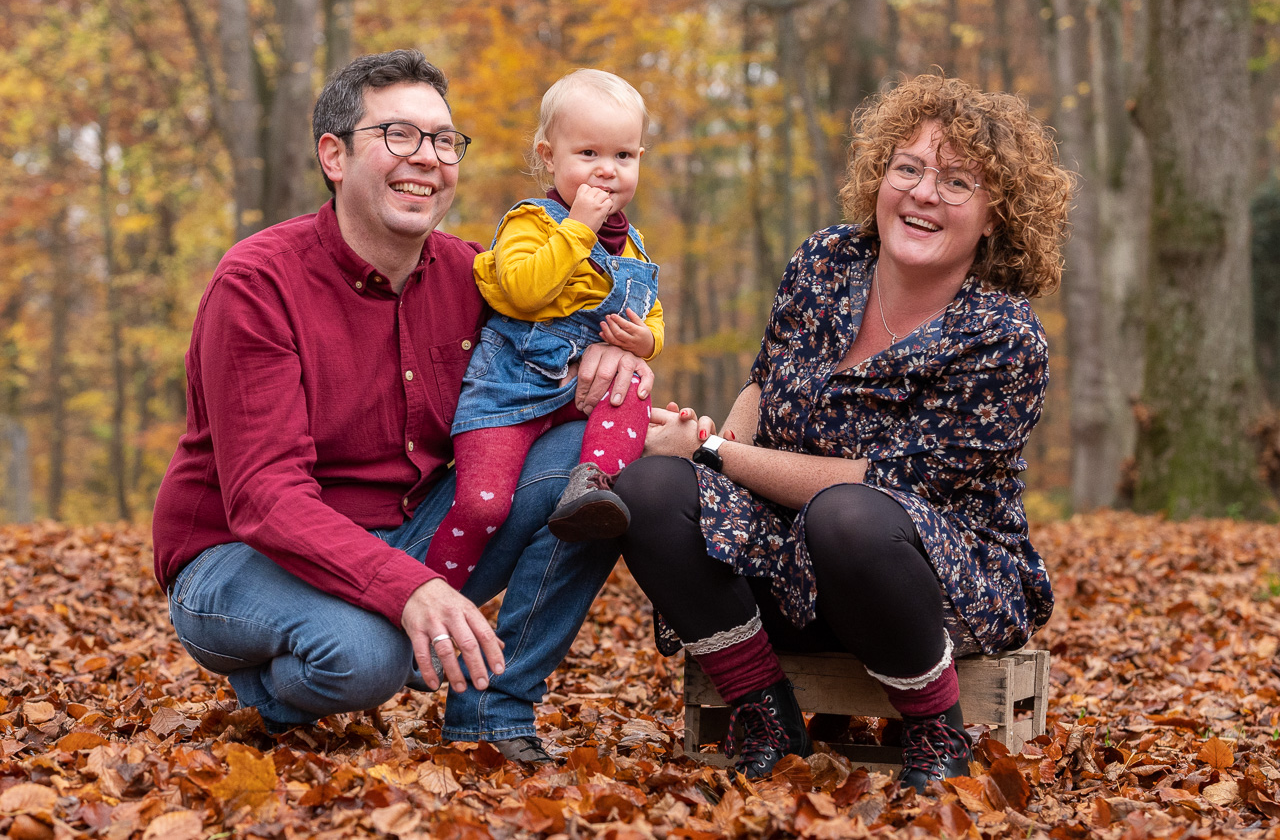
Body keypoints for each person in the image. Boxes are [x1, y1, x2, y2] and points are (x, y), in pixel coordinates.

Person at [151, 50, 648, 766]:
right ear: (334, 156)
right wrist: (407, 590)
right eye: (399, 135)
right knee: (367, 656)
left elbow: (530, 386)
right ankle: (274, 685)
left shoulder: (476, 275)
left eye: (444, 141)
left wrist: (614, 362)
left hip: (412, 531)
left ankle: (492, 711)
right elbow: (265, 497)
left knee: (595, 481)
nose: (428, 158)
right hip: (241, 554)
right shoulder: (257, 284)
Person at [614, 73, 1071, 789]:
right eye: (908, 169)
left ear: (994, 216)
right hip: (786, 555)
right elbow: (763, 385)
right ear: (879, 178)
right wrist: (701, 466)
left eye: (956, 182)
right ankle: (765, 713)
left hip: (926, 582)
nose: (923, 194)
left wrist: (714, 452)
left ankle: (936, 732)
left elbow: (882, 485)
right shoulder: (827, 262)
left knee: (848, 516)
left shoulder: (1003, 338)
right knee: (648, 488)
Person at [422, 69, 663, 589]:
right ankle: (428, 595)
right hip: (509, 390)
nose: (607, 170)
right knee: (482, 506)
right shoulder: (531, 221)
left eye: (623, 156)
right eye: (588, 153)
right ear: (550, 156)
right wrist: (578, 229)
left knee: (633, 386)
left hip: (578, 395)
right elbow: (524, 290)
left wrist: (646, 341)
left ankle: (593, 483)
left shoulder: (634, 244)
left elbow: (650, 311)